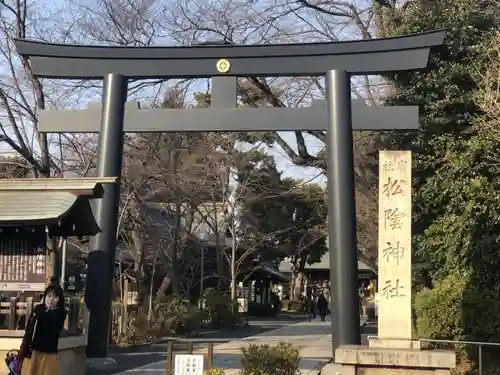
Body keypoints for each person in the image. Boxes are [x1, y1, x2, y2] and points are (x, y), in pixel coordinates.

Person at [17, 280, 67, 375]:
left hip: (48, 354)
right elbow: (29, 330)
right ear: (44, 297)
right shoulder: (39, 309)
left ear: (59, 299)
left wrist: (37, 311)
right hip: (33, 352)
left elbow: (47, 318)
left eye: (55, 297)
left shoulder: (60, 313)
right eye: (49, 296)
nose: (51, 299)